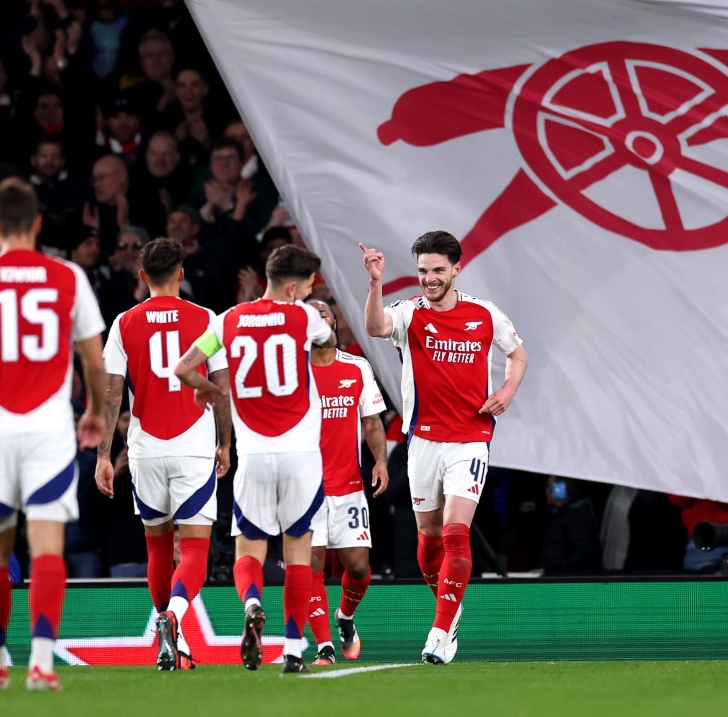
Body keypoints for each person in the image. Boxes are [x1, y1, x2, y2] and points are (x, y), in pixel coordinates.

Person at [0, 177, 107, 691]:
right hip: (48, 432)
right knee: (48, 549)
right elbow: (93, 359)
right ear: (37, 224)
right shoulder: (69, 277)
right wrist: (95, 411)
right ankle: (41, 662)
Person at [360, 230, 528, 664]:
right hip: (423, 443)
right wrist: (376, 282)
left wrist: (508, 389)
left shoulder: (485, 314)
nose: (429, 279)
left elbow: (518, 354)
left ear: (457, 267)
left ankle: (438, 632)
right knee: (428, 543)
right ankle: (449, 610)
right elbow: (375, 327)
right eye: (422, 271)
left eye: (437, 270)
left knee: (456, 532)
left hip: (470, 440)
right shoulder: (409, 314)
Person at [172, 244, 336, 675]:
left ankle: (253, 603)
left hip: (255, 455)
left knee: (250, 548)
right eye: (305, 286)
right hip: (300, 454)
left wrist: (209, 389)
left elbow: (184, 367)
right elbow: (328, 342)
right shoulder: (306, 317)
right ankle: (295, 649)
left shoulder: (227, 321)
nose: (307, 293)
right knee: (298, 550)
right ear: (290, 285)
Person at [96, 236, 232, 670]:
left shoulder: (124, 323)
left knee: (156, 549)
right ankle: (174, 618)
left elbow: (111, 394)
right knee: (193, 550)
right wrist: (225, 443)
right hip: (193, 444)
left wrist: (103, 454)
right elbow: (222, 386)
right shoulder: (207, 320)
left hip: (145, 447)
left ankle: (166, 636)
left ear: (142, 278)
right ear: (181, 274)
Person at [305, 298, 388, 665]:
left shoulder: (356, 368)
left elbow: (371, 421)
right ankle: (324, 646)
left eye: (325, 313)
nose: (321, 318)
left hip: (349, 487)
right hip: (305, 491)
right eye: (312, 314)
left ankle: (345, 618)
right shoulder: (293, 372)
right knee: (312, 569)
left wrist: (381, 460)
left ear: (335, 322)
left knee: (358, 568)